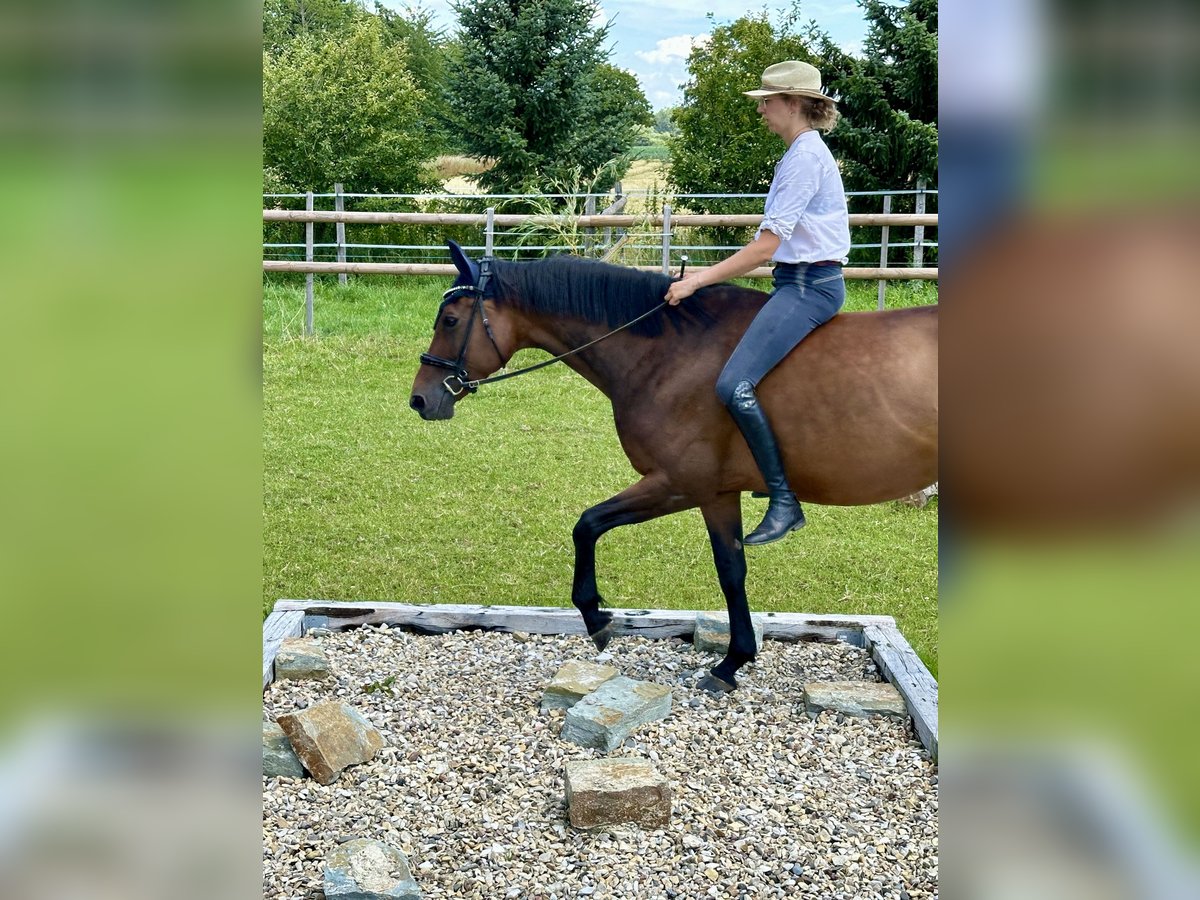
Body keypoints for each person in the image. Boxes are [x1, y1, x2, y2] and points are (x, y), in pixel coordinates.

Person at [665, 59, 851, 546]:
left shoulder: (805, 158)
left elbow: (767, 246)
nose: (762, 109)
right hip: (795, 281)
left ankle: (784, 500)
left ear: (793, 103)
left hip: (808, 287)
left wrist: (699, 280)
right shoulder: (799, 154)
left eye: (767, 100)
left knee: (733, 384)